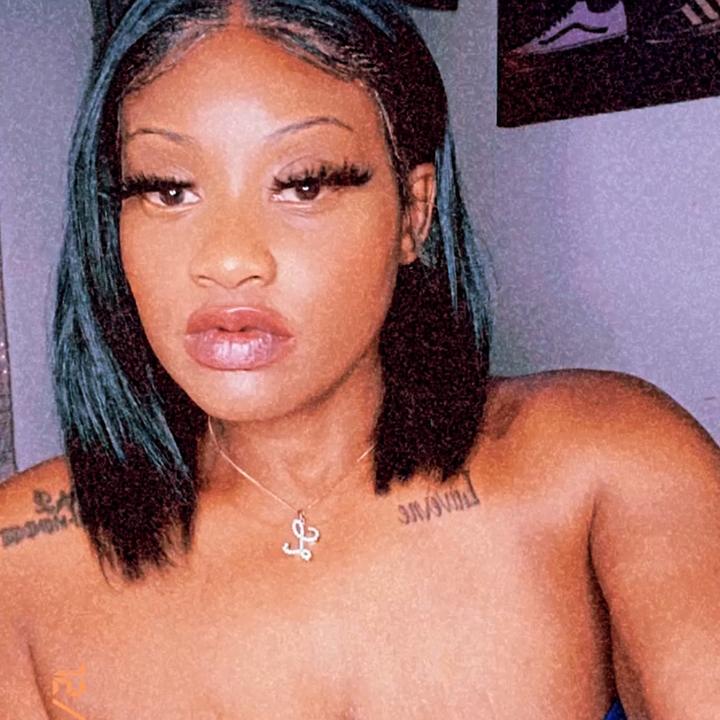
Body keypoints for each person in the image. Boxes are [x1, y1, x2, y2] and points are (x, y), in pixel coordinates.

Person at [1, 0, 718, 717]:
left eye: (304, 184)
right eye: (167, 189)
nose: (227, 259)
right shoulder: (24, 559)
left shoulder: (604, 464)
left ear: (414, 212)